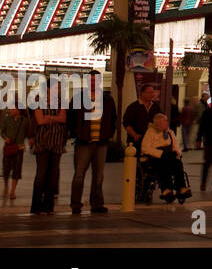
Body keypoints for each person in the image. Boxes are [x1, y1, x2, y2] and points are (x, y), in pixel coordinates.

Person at [68, 74, 116, 214]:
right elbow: (71, 117)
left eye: (96, 80)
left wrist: (108, 135)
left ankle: (97, 204)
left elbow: (113, 118)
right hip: (84, 142)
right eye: (91, 80)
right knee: (79, 175)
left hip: (101, 142)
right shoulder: (79, 98)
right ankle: (76, 204)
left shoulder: (107, 99)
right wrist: (77, 133)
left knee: (99, 175)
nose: (94, 83)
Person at [141, 113, 190, 203]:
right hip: (157, 157)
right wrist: (161, 154)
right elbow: (145, 148)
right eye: (165, 121)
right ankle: (166, 189)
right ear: (158, 123)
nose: (167, 122)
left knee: (178, 163)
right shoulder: (150, 132)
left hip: (170, 155)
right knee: (163, 164)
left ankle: (181, 187)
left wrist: (177, 153)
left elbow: (176, 145)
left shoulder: (170, 132)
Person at [29, 105, 68, 215]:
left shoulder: (60, 104)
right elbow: (40, 121)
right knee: (41, 175)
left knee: (53, 175)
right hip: (42, 144)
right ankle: (36, 207)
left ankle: (48, 206)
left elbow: (63, 119)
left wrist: (48, 117)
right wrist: (55, 118)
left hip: (57, 143)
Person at [1, 107, 30, 200]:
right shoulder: (7, 119)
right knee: (6, 169)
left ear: (19, 110)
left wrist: (25, 141)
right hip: (8, 147)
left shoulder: (25, 121)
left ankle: (12, 191)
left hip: (19, 148)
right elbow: (2, 132)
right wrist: (6, 138)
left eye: (13, 109)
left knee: (17, 170)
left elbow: (28, 132)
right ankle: (6, 187)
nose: (11, 111)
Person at [122, 83, 160, 152]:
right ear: (142, 93)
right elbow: (126, 123)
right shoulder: (133, 107)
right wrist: (134, 135)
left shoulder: (156, 107)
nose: (152, 94)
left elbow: (161, 121)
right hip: (136, 142)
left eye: (153, 92)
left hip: (152, 143)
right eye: (150, 92)